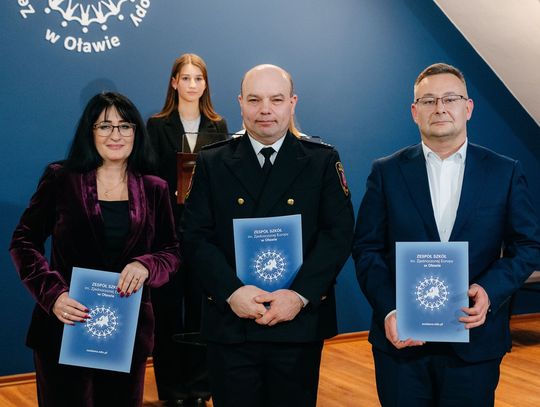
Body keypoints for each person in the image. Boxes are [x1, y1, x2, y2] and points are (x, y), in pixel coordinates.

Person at [352, 62, 540, 406]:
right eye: (428, 100)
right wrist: (390, 310)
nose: (439, 108)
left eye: (450, 99)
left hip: (474, 341)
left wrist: (490, 291)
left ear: (468, 108)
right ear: (415, 112)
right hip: (402, 342)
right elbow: (367, 249)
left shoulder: (504, 172)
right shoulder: (386, 172)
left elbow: (528, 246)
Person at [182, 64, 355, 407]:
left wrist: (299, 296)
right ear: (240, 103)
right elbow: (194, 235)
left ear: (292, 103)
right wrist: (231, 292)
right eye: (254, 99)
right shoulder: (212, 162)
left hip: (297, 323)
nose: (265, 109)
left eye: (276, 99)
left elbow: (338, 234)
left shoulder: (321, 160)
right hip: (231, 321)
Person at [9, 92, 181, 407]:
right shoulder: (61, 178)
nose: (116, 135)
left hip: (125, 333)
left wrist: (145, 265)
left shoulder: (154, 187)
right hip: (65, 326)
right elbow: (23, 241)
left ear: (136, 133)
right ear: (90, 132)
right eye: (105, 126)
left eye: (125, 126)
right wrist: (53, 294)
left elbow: (170, 251)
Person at [146, 53, 228, 406]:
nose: (192, 84)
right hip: (166, 232)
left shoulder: (219, 126)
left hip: (204, 233)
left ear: (205, 84)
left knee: (201, 310)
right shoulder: (156, 125)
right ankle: (171, 389)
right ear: (174, 82)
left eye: (198, 78)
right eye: (186, 78)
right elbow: (148, 177)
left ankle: (199, 386)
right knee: (166, 312)